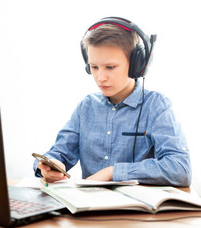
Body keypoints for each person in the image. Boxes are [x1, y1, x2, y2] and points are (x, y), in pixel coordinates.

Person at [33, 17, 191, 187]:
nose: (100, 78)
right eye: (94, 67)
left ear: (136, 65)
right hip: (89, 207)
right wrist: (50, 166)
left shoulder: (157, 106)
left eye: (110, 67)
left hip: (137, 210)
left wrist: (113, 172)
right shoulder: (86, 107)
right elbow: (59, 152)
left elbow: (180, 169)